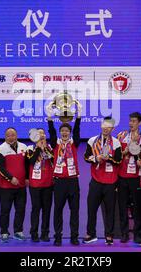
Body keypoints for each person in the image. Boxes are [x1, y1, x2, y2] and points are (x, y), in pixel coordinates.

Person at [84, 117, 123, 245]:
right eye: (104, 125)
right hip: (96, 180)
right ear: (101, 126)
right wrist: (96, 158)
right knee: (92, 208)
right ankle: (91, 234)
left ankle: (109, 235)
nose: (106, 128)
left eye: (109, 126)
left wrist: (109, 158)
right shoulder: (92, 141)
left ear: (112, 128)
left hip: (111, 182)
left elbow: (118, 160)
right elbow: (86, 157)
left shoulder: (116, 143)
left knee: (110, 210)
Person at [47, 103, 81, 246]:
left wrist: (79, 115)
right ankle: (58, 236)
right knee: (58, 210)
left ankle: (74, 236)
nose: (65, 133)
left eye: (67, 131)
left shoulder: (74, 143)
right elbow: (51, 131)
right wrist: (49, 115)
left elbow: (78, 130)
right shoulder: (56, 144)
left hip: (73, 181)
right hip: (59, 181)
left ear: (70, 132)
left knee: (74, 211)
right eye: (63, 131)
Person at [116, 112, 141, 243]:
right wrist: (126, 150)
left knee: (137, 206)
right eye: (130, 121)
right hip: (122, 175)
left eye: (134, 121)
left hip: (136, 176)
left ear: (139, 123)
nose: (131, 123)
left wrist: (140, 160)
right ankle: (124, 233)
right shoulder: (121, 136)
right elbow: (116, 155)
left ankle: (137, 233)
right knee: (122, 205)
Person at [0, 128, 28, 243]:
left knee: (21, 209)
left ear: (17, 135)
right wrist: (11, 178)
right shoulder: (0, 149)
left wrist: (27, 178)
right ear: (5, 137)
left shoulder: (24, 147)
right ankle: (4, 232)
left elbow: (27, 164)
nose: (11, 137)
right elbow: (0, 167)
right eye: (8, 135)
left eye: (13, 135)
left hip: (21, 186)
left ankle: (18, 231)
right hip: (6, 187)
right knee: (5, 210)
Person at [26, 129, 54, 242]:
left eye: (43, 133)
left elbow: (53, 160)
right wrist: (38, 148)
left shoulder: (50, 148)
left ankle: (45, 233)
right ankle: (34, 233)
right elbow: (31, 161)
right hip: (35, 184)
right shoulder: (30, 149)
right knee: (36, 208)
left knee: (47, 209)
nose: (41, 135)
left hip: (48, 183)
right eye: (39, 133)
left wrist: (44, 148)